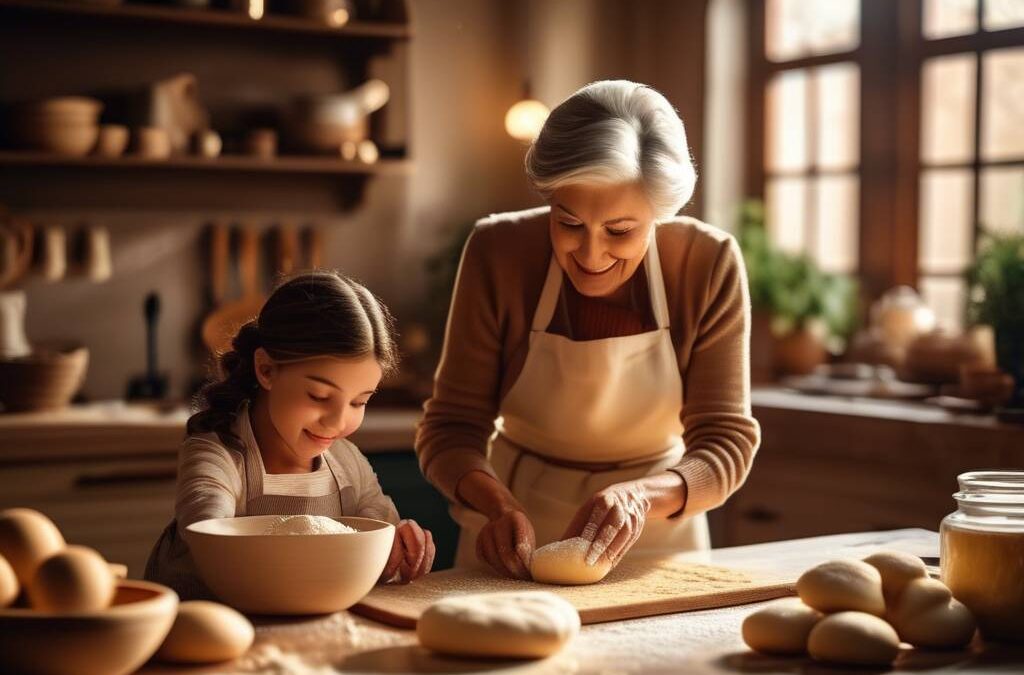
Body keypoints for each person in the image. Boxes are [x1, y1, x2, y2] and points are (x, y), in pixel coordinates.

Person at [416, 80, 760, 579]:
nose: (591, 255)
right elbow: (450, 428)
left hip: (656, 530)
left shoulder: (707, 264)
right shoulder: (499, 252)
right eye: (568, 222)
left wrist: (641, 497)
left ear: (659, 213)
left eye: (620, 231)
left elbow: (725, 442)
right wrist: (496, 507)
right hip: (515, 521)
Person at [146, 271, 435, 598]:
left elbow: (379, 538)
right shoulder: (217, 455)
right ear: (266, 369)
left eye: (359, 401)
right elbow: (209, 535)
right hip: (200, 630)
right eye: (319, 397)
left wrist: (400, 546)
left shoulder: (347, 463)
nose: (338, 422)